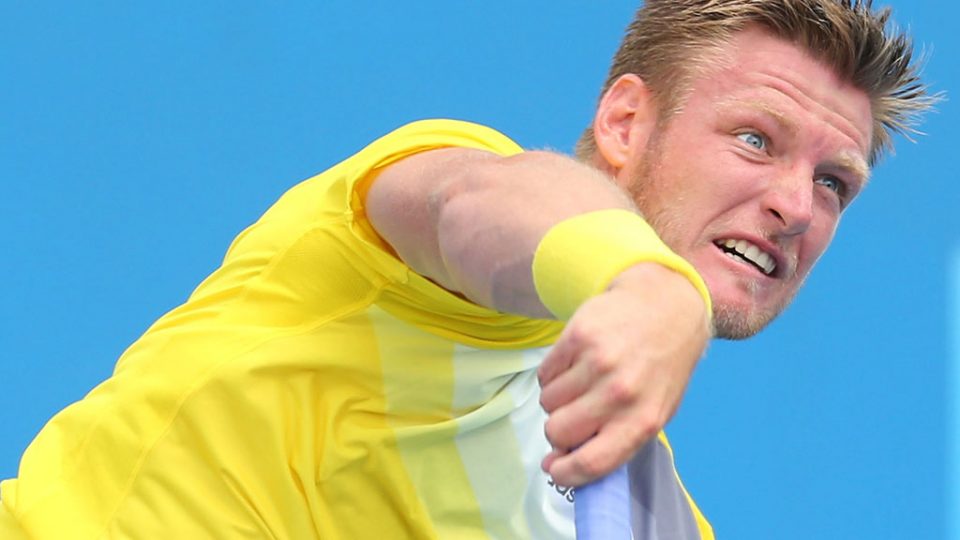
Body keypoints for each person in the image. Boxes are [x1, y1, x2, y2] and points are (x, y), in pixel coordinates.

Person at [0, 1, 936, 539]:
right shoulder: (434, 210)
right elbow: (481, 204)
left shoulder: (653, 525)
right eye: (753, 138)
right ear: (623, 124)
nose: (797, 204)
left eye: (833, 183)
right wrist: (647, 283)